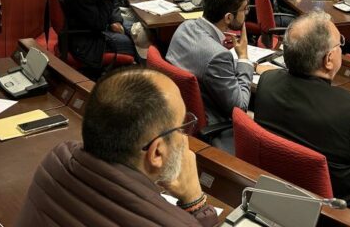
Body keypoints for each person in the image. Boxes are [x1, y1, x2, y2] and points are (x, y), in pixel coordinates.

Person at [16, 69, 218, 227]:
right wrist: (195, 204)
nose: (183, 138)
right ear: (157, 152)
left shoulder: (57, 157)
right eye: (181, 127)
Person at [254, 12, 350, 216]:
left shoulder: (267, 82)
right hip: (348, 207)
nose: (341, 49)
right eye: (339, 45)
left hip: (288, 193)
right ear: (328, 59)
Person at [166, 0, 258, 149]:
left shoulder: (184, 26)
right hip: (215, 127)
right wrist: (244, 58)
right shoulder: (218, 55)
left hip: (178, 114)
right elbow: (240, 107)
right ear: (228, 17)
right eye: (245, 9)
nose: (247, 13)